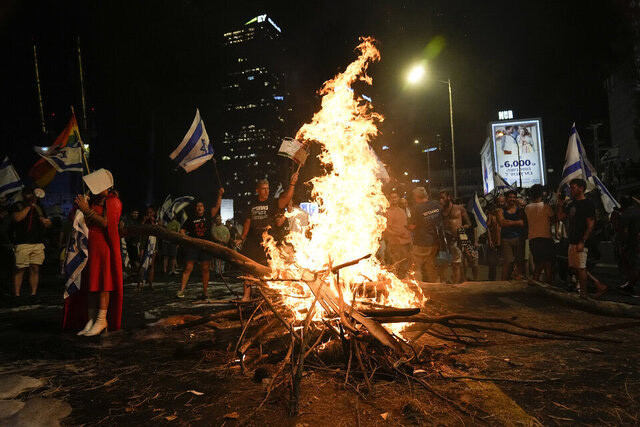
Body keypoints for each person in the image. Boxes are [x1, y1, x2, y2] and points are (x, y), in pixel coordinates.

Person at [64, 168, 123, 336]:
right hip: (89, 245)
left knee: (103, 282)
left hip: (103, 246)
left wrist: (86, 209)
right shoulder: (93, 200)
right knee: (90, 282)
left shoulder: (113, 201)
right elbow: (72, 218)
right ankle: (91, 319)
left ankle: (101, 319)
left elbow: (106, 223)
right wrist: (80, 206)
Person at [237, 173, 299, 301]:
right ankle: (247, 295)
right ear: (257, 190)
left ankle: (267, 295)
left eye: (268, 188)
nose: (266, 191)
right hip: (253, 242)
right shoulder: (251, 204)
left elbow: (286, 199)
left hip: (269, 242)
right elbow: (247, 222)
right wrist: (242, 237)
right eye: (264, 189)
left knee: (269, 268)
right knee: (248, 267)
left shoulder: (273, 203)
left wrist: (292, 184)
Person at [557, 178, 607, 298]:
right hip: (573, 240)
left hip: (581, 241)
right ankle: (598, 285)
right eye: (570, 188)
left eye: (573, 187)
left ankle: (584, 293)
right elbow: (560, 217)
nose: (571, 190)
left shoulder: (588, 204)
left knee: (581, 268)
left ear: (581, 188)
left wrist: (583, 241)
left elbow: (590, 224)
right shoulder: (571, 204)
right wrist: (560, 204)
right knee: (575, 267)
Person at [177, 188, 223, 299]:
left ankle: (205, 291)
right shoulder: (191, 218)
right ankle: (181, 290)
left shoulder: (208, 215)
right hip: (193, 247)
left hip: (205, 246)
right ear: (195, 208)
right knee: (188, 267)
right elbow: (182, 230)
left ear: (203, 208)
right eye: (197, 206)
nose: (199, 208)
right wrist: (186, 239)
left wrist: (220, 194)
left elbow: (217, 206)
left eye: (201, 206)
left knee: (205, 269)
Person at [11, 187, 52, 298]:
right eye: (29, 194)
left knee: (35, 268)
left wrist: (47, 222)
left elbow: (48, 224)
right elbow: (17, 218)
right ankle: (17, 294)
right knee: (20, 269)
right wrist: (29, 206)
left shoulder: (40, 207)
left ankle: (33, 294)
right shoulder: (18, 205)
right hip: (22, 242)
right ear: (24, 195)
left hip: (37, 242)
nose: (32, 197)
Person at [407, 187, 441, 282]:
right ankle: (436, 288)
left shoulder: (417, 208)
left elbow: (412, 226)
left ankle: (419, 288)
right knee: (431, 267)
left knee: (415, 267)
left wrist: (407, 226)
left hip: (421, 242)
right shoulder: (436, 206)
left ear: (417, 197)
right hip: (435, 242)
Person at [439, 190, 473, 283]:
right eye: (440, 198)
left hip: (456, 241)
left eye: (443, 197)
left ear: (449, 197)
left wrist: (461, 228)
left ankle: (456, 285)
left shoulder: (459, 208)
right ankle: (444, 283)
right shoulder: (441, 211)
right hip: (445, 242)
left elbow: (469, 224)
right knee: (443, 264)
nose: (441, 200)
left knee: (456, 264)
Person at [525, 184, 555, 284]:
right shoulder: (546, 207)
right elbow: (553, 219)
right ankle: (538, 281)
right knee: (547, 263)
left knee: (539, 262)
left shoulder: (527, 208)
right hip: (545, 238)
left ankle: (536, 280)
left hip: (533, 239)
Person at [497, 190, 525, 280]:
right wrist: (517, 222)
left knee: (519, 262)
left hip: (518, 238)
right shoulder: (501, 211)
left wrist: (508, 222)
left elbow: (523, 223)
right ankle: (503, 283)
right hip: (506, 239)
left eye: (514, 197)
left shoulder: (519, 211)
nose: (512, 199)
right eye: (510, 197)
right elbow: (502, 223)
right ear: (506, 198)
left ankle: (519, 283)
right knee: (507, 262)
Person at [384, 191, 412, 279]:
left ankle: (404, 286)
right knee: (397, 267)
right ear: (389, 200)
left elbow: (406, 226)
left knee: (406, 266)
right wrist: (397, 234)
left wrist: (410, 240)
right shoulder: (388, 212)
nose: (394, 199)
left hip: (406, 242)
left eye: (395, 197)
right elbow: (385, 228)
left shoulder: (402, 211)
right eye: (392, 198)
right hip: (396, 244)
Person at [618, 195, 640, 294]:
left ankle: (632, 286)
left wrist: (624, 244)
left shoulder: (625, 215)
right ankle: (630, 284)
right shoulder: (638, 211)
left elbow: (625, 232)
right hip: (637, 241)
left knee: (632, 265)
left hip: (632, 243)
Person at [138, 206, 158, 290]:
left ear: (153, 212)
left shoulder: (156, 220)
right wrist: (144, 220)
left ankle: (150, 283)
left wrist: (153, 222)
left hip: (153, 244)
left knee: (151, 265)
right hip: (144, 243)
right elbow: (139, 229)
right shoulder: (144, 220)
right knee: (142, 262)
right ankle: (140, 283)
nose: (149, 214)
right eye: (148, 212)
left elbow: (157, 230)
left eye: (151, 212)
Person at [485, 195, 505, 281]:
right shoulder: (491, 214)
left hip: (505, 241)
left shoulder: (507, 213)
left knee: (507, 263)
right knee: (492, 264)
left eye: (502, 202)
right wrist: (490, 240)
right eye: (499, 202)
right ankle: (491, 282)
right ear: (496, 202)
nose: (500, 204)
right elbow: (488, 228)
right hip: (494, 241)